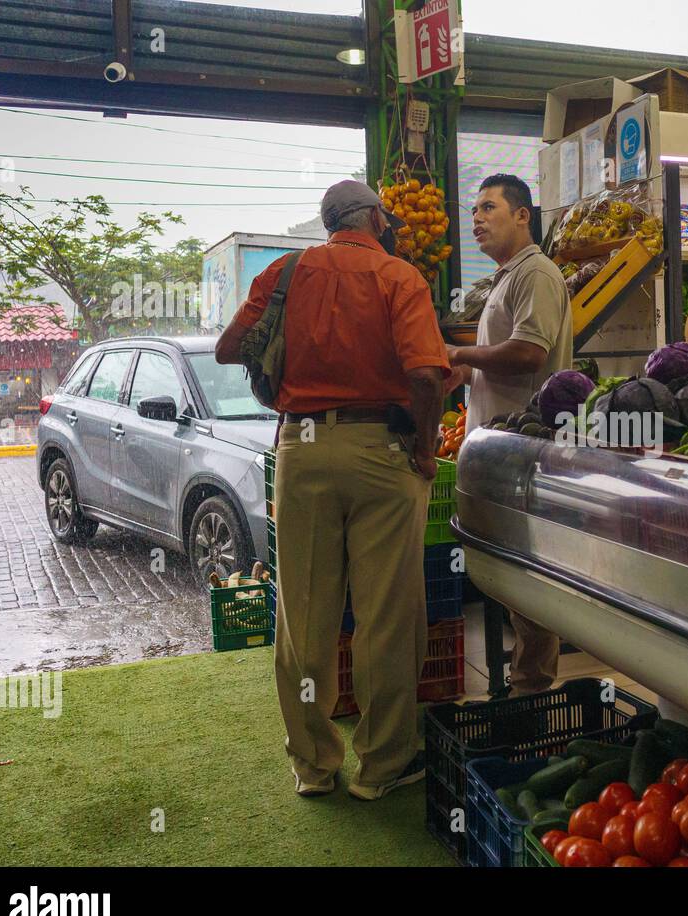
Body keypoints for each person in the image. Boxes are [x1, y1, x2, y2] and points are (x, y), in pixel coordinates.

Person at [215, 180, 450, 800]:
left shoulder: (284, 273)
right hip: (382, 451)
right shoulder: (398, 277)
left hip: (302, 450)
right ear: (375, 217)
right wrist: (425, 446)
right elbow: (426, 373)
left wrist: (279, 372)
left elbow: (228, 347)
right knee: (387, 616)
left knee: (305, 616)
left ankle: (315, 767)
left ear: (328, 222)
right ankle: (382, 767)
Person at [447, 173, 573, 696]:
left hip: (525, 454)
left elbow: (528, 354)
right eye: (473, 210)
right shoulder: (505, 277)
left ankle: (532, 695)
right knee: (513, 582)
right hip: (498, 452)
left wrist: (458, 354)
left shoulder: (537, 274)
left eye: (489, 208)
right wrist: (466, 374)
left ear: (523, 215)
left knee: (528, 586)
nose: (476, 219)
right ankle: (522, 690)